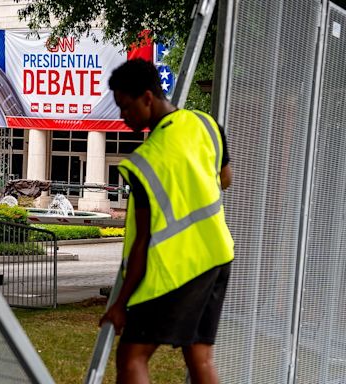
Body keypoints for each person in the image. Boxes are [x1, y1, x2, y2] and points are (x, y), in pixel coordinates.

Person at [100, 59, 234, 384]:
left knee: (132, 355)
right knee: (199, 356)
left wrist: (120, 303)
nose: (122, 116)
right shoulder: (205, 125)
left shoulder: (145, 162)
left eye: (126, 107)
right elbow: (225, 179)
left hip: (179, 269)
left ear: (147, 97)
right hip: (218, 256)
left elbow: (142, 241)